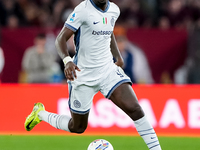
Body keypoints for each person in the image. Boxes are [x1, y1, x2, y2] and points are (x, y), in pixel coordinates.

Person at [25, 0, 161, 150]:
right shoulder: (83, 10)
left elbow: (108, 32)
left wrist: (117, 56)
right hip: (83, 75)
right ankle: (41, 114)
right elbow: (60, 39)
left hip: (107, 70)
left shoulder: (114, 10)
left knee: (135, 109)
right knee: (77, 126)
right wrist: (67, 61)